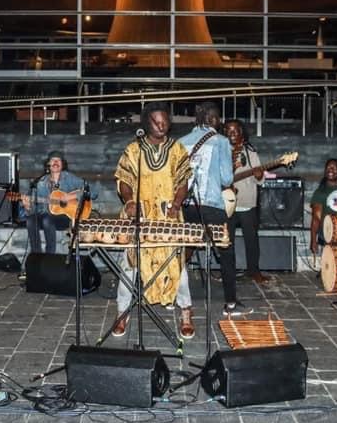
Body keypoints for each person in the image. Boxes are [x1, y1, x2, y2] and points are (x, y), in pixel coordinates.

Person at [112, 103, 192, 338]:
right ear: (147, 122)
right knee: (130, 265)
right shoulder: (134, 149)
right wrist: (129, 202)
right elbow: (124, 179)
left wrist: (177, 204)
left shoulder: (177, 149)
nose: (161, 125)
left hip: (168, 216)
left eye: (165, 121)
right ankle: (122, 313)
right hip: (140, 216)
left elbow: (183, 181)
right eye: (157, 121)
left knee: (177, 264)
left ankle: (186, 312)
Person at [180, 102, 251, 317]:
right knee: (226, 252)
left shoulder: (181, 142)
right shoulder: (220, 142)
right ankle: (230, 303)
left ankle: (173, 297)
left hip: (186, 206)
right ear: (212, 119)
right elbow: (226, 179)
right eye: (218, 119)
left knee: (181, 250)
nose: (220, 122)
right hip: (210, 205)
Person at [223, 119, 270, 285]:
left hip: (247, 203)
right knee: (227, 241)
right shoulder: (220, 151)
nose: (232, 133)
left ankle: (254, 271)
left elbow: (260, 180)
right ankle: (228, 272)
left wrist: (259, 176)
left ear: (241, 132)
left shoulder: (251, 152)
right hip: (226, 204)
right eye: (228, 130)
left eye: (235, 130)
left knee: (251, 240)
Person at [23, 150, 90, 254]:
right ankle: (36, 255)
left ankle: (50, 256)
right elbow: (35, 208)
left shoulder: (69, 178)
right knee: (31, 220)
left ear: (62, 164)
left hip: (66, 217)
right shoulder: (41, 182)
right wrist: (28, 206)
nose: (55, 162)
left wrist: (70, 196)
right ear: (48, 165)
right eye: (52, 160)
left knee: (47, 219)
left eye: (58, 160)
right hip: (46, 216)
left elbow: (92, 191)